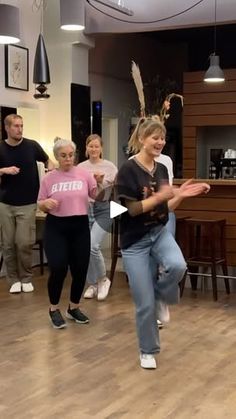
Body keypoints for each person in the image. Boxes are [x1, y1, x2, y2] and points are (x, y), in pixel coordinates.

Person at [116, 117, 210, 369]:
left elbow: (165, 205)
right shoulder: (127, 170)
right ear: (141, 139)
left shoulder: (160, 169)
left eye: (163, 137)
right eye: (155, 137)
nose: (160, 142)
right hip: (135, 242)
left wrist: (181, 196)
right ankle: (148, 350)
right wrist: (161, 196)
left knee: (178, 266)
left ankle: (161, 297)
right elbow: (132, 210)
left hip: (158, 232)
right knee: (143, 303)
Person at [37, 138, 97, 329]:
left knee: (80, 268)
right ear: (57, 157)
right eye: (63, 156)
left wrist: (101, 185)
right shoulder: (48, 178)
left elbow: (97, 196)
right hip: (56, 226)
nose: (68, 159)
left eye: (71, 155)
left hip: (80, 225)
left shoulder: (84, 174)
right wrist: (45, 204)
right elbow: (40, 202)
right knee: (58, 267)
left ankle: (74, 307)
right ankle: (54, 309)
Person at [0, 114, 54, 294]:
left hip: (28, 202)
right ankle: (13, 279)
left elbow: (49, 162)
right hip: (5, 203)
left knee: (23, 242)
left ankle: (26, 278)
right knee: (8, 244)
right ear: (7, 128)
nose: (20, 129)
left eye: (21, 125)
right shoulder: (0, 148)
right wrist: (3, 170)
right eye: (16, 126)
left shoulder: (32, 146)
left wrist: (52, 176)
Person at [78, 134, 118, 301]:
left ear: (101, 148)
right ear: (86, 148)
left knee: (93, 245)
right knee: (85, 248)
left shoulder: (110, 167)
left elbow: (110, 192)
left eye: (96, 146)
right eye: (90, 146)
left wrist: (100, 182)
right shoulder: (80, 167)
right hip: (85, 210)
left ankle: (103, 280)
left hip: (105, 209)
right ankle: (92, 284)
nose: (93, 149)